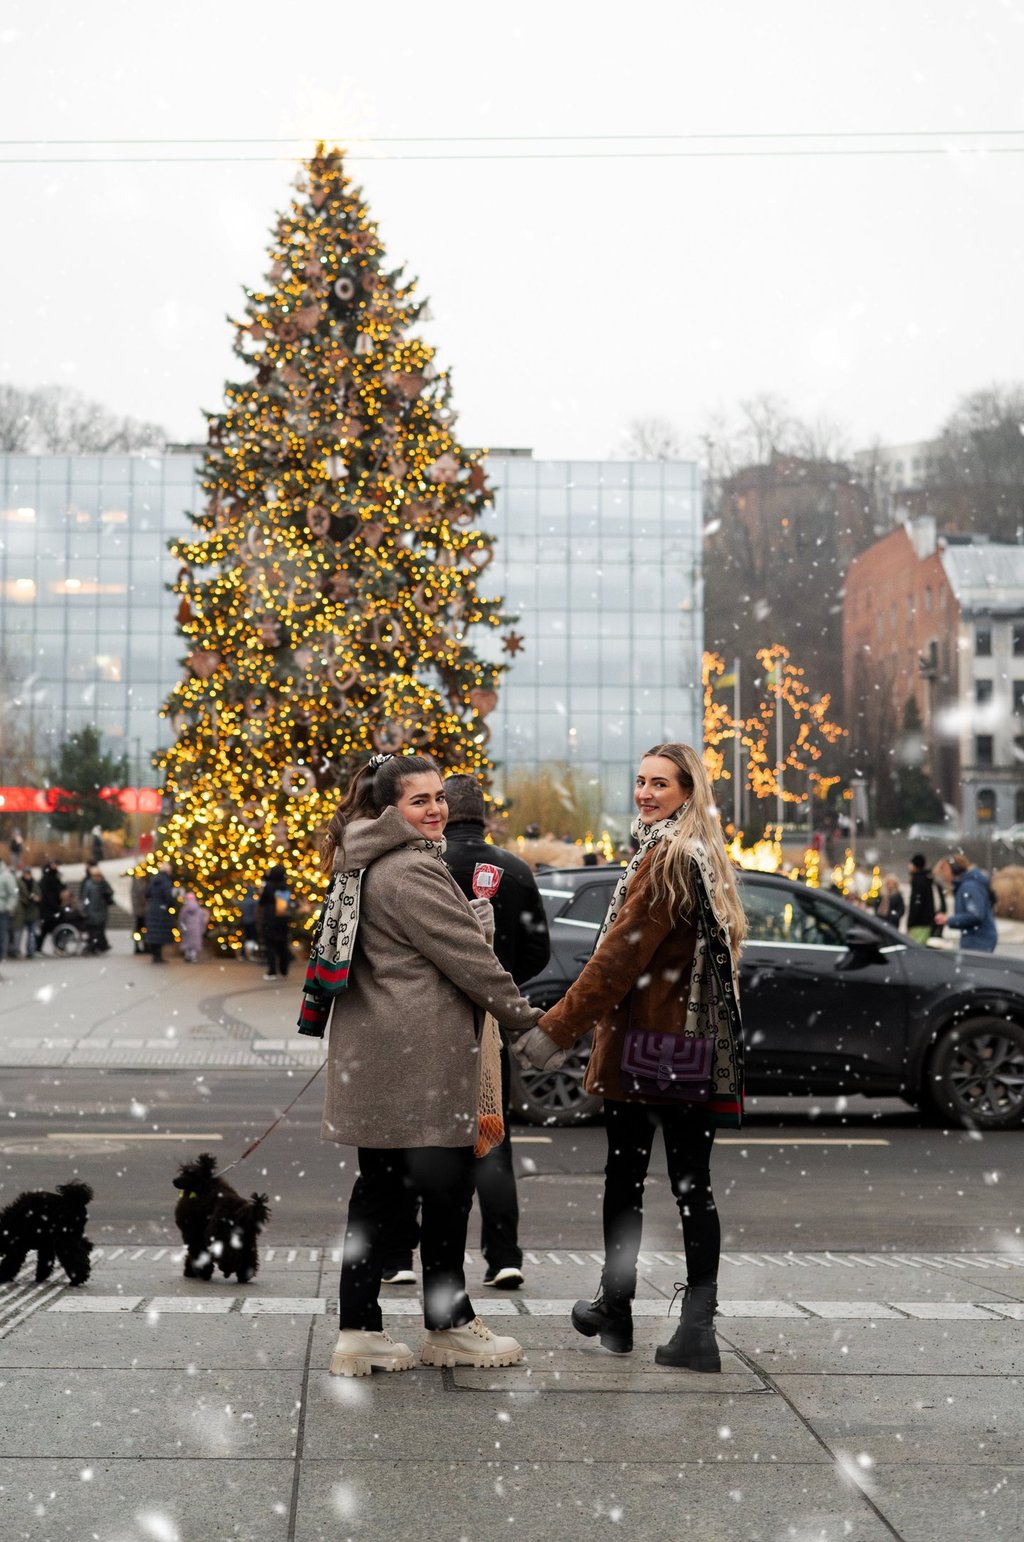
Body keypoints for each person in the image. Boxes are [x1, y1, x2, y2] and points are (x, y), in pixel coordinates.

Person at [513, 742, 745, 1372]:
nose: (645, 793)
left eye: (660, 785)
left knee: (626, 1182)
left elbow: (617, 962)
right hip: (692, 1048)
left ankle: (619, 1307)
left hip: (648, 1048)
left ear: (687, 793)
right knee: (693, 1187)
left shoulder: (664, 860)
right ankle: (695, 1328)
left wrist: (555, 1030)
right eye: (640, 781)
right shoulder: (703, 859)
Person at [312, 751, 543, 1377]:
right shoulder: (410, 870)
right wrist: (530, 1020)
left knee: (377, 1193)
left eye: (439, 797)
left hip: (381, 1055)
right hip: (422, 1059)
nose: (437, 809)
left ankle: (359, 1327)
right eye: (421, 800)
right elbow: (468, 961)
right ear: (391, 810)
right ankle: (448, 1325)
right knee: (445, 1192)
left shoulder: (364, 864)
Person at [379, 773, 551, 1291]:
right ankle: (503, 1254)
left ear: (447, 811)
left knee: (415, 1133)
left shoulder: (422, 864)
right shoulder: (515, 871)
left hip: (428, 1021)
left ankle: (397, 1254)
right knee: (490, 1134)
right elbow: (539, 951)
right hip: (490, 1025)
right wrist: (505, 984)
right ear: (487, 815)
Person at [934, 851, 998, 953]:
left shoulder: (969, 887)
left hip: (978, 940)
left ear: (955, 870)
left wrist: (949, 920)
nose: (944, 875)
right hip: (975, 939)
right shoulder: (966, 886)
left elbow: (975, 915)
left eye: (945, 870)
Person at [258, 864, 292, 979]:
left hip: (270, 918)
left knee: (270, 945)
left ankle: (272, 971)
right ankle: (284, 970)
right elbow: (284, 905)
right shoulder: (285, 887)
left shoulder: (269, 886)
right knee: (282, 944)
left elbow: (262, 902)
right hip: (282, 918)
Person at [906, 854, 944, 944]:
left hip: (918, 923)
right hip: (929, 922)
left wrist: (910, 923)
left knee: (915, 950)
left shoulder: (918, 880)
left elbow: (916, 903)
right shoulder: (928, 879)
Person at [79, 864, 115, 954]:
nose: (97, 877)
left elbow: (110, 892)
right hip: (92, 910)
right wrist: (85, 909)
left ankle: (98, 946)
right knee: (95, 930)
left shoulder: (103, 883)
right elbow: (85, 897)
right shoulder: (89, 884)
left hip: (101, 910)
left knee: (99, 929)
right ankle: (97, 946)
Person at [144, 863, 175, 964]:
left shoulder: (154, 879)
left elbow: (147, 893)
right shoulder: (166, 881)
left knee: (154, 933)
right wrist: (170, 904)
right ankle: (158, 956)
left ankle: (155, 955)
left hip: (152, 909)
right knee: (160, 932)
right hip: (161, 910)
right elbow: (168, 897)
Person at [37, 862, 64, 952]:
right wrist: (56, 906)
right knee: (51, 929)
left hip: (49, 909)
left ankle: (39, 947)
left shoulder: (48, 878)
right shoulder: (48, 879)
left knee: (48, 930)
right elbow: (49, 895)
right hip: (50, 909)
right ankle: (58, 946)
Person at [15, 867, 40, 958]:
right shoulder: (20, 883)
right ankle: (16, 950)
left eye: (28, 874)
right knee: (19, 932)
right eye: (26, 874)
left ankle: (30, 951)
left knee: (31, 933)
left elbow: (38, 896)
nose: (27, 876)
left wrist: (35, 898)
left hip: (32, 912)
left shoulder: (34, 883)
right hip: (22, 912)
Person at [178, 890, 208, 963]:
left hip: (187, 927)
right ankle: (193, 956)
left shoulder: (184, 908)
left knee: (187, 941)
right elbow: (202, 919)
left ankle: (187, 955)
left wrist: (182, 927)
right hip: (196, 928)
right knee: (195, 942)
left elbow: (181, 918)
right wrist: (202, 928)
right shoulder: (199, 909)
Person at [0, 857, 18, 961]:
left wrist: (8, 907)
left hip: (2, 911)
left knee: (1, 936)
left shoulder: (6, 876)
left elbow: (13, 895)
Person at [130, 871, 150, 955]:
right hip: (139, 910)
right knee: (138, 929)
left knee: (143, 929)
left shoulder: (143, 880)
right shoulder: (137, 881)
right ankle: (137, 946)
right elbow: (140, 894)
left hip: (142, 910)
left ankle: (144, 946)